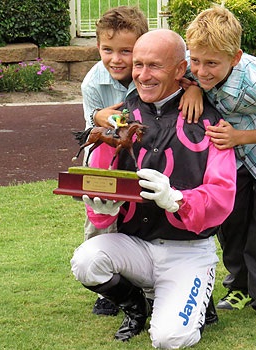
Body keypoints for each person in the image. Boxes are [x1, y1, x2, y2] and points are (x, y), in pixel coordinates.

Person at [70, 29, 237, 347]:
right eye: (139, 65)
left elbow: (222, 195)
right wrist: (102, 209)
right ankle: (136, 306)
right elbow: (101, 183)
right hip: (136, 245)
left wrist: (177, 199)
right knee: (86, 261)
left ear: (179, 70)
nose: (143, 76)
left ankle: (195, 291)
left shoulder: (211, 124)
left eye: (154, 66)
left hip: (187, 251)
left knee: (170, 339)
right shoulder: (119, 120)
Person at [185, 5, 256, 327]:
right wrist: (191, 86)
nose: (201, 71)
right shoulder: (196, 67)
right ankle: (240, 286)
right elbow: (183, 73)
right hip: (230, 153)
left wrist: (238, 137)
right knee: (230, 217)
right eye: (195, 61)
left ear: (235, 57)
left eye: (211, 64)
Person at [80, 6, 148, 316]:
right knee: (100, 221)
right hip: (105, 162)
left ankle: (147, 283)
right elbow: (91, 137)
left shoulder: (152, 70)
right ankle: (110, 288)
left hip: (145, 158)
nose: (116, 59)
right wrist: (98, 117)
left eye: (126, 51)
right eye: (107, 50)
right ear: (97, 48)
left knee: (141, 220)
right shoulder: (94, 82)